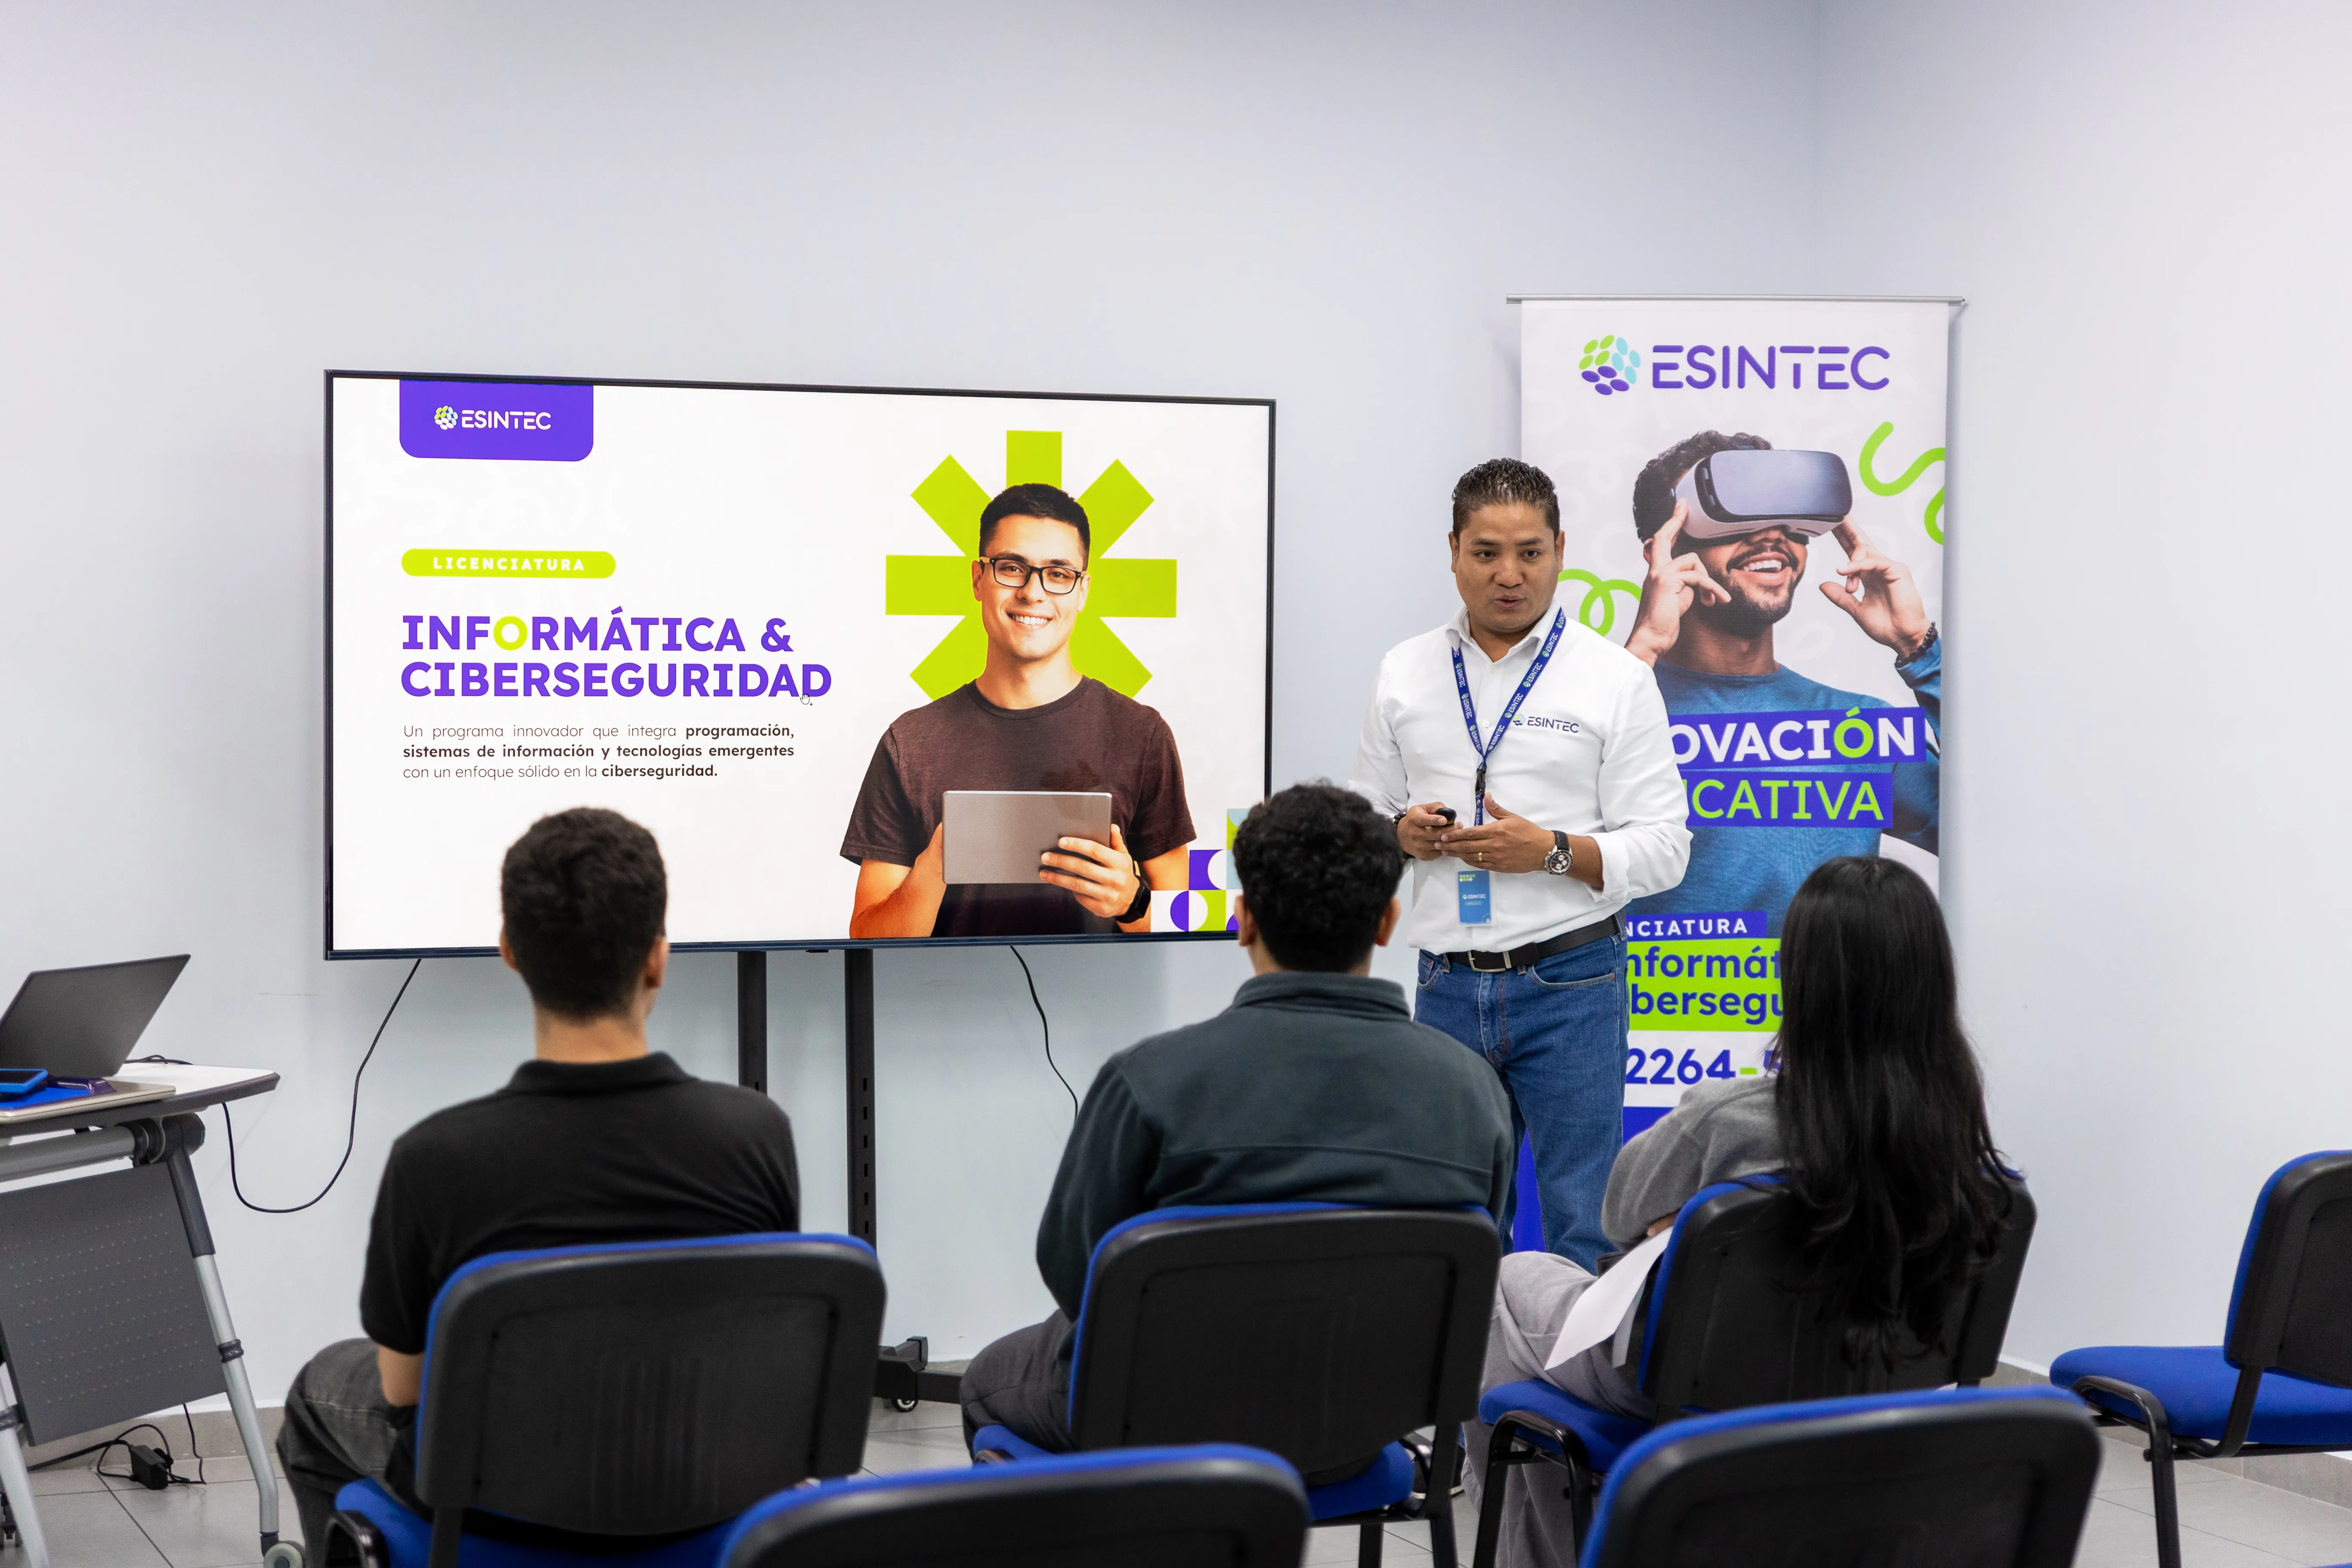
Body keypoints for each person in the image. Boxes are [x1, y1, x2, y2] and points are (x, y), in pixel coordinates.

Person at [275, 808, 800, 1556]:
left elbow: (404, 1391)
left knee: (315, 1392)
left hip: (497, 1499)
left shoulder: (435, 1156)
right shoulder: (757, 1133)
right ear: (657, 958)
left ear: (511, 953)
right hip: (704, 1483)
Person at [1468, 855, 2015, 1566]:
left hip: (1687, 1381)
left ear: (1801, 977)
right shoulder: (1957, 1144)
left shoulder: (1727, 1116)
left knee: (1507, 1284)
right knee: (1526, 1376)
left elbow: (1617, 1212)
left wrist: (1691, 1217)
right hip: (1881, 1378)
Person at [959, 782, 1514, 1451]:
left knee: (988, 1379)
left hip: (1167, 1422)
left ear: (1245, 919)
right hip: (1361, 1429)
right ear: (1388, 923)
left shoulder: (1148, 1082)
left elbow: (1075, 1271)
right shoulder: (1473, 1091)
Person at [1349, 458, 1690, 1269]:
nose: (1509, 575)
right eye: (1487, 552)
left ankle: (1570, 1395)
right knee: (1455, 1220)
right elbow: (1363, 817)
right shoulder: (1404, 670)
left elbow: (1668, 847)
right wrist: (1403, 834)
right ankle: (1461, 1396)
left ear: (1561, 549)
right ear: (1453, 551)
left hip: (1572, 981)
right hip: (1445, 983)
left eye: (1530, 552)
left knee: (1583, 1221)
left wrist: (1554, 851)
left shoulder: (1617, 678)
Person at [1620, 430, 1940, 933]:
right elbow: (1535, 827)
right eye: (1731, 512)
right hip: (1646, 1008)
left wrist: (1921, 648)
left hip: (1823, 1012)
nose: (1770, 535)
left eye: (1787, 518)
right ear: (1661, 552)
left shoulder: (1859, 727)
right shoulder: (1601, 708)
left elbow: (1985, 831)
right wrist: (1640, 654)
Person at [842, 482, 1193, 938]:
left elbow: (1190, 924)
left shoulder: (1142, 735)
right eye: (1012, 568)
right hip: (941, 1003)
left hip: (1105, 1006)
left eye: (1059, 574)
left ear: (1083, 591)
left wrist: (1132, 902)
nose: (1033, 592)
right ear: (977, 579)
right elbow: (866, 936)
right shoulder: (910, 743)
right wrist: (934, 868)